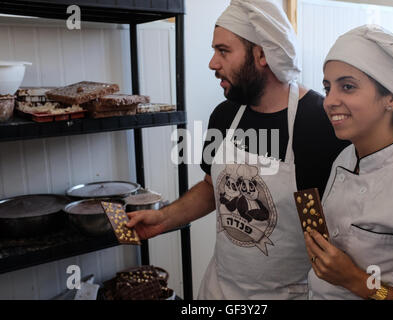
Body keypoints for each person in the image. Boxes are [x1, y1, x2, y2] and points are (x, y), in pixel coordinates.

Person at [127, 0, 348, 300]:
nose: (212, 63)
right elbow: (211, 188)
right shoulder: (225, 115)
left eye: (223, 51)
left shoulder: (318, 123)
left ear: (261, 54)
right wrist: (163, 218)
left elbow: (326, 226)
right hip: (220, 290)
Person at [304, 24, 393, 300]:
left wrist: (357, 281)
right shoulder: (346, 157)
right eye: (327, 87)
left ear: (392, 97)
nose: (329, 101)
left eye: (347, 87)